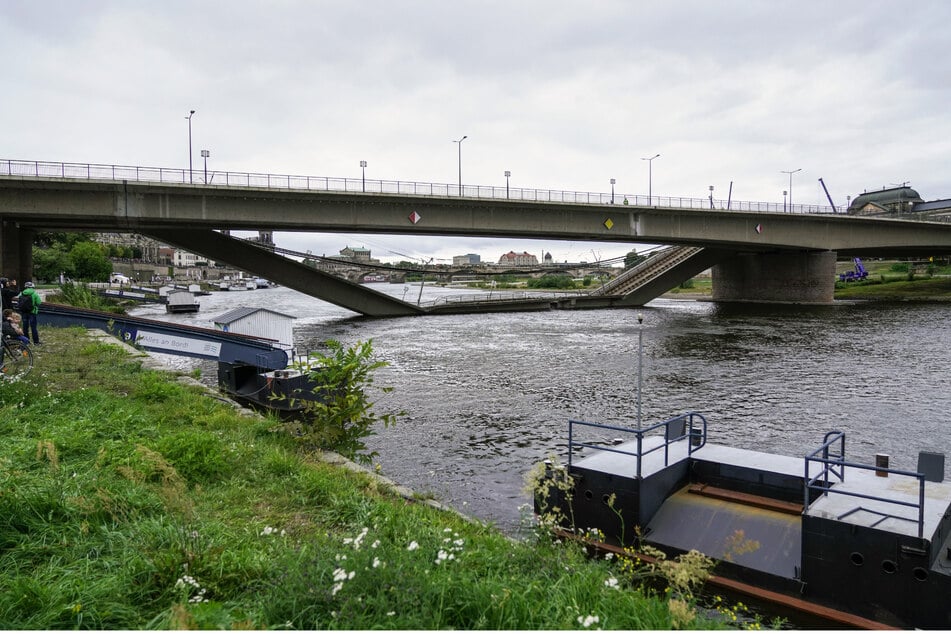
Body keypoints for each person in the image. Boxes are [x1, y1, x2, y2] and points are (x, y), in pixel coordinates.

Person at [17, 281, 41, 345]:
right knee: (33, 327)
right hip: (32, 312)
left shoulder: (22, 293)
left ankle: (26, 341)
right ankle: (36, 342)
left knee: (25, 327)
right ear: (32, 286)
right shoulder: (34, 293)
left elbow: (19, 301)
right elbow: (39, 302)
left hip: (24, 312)